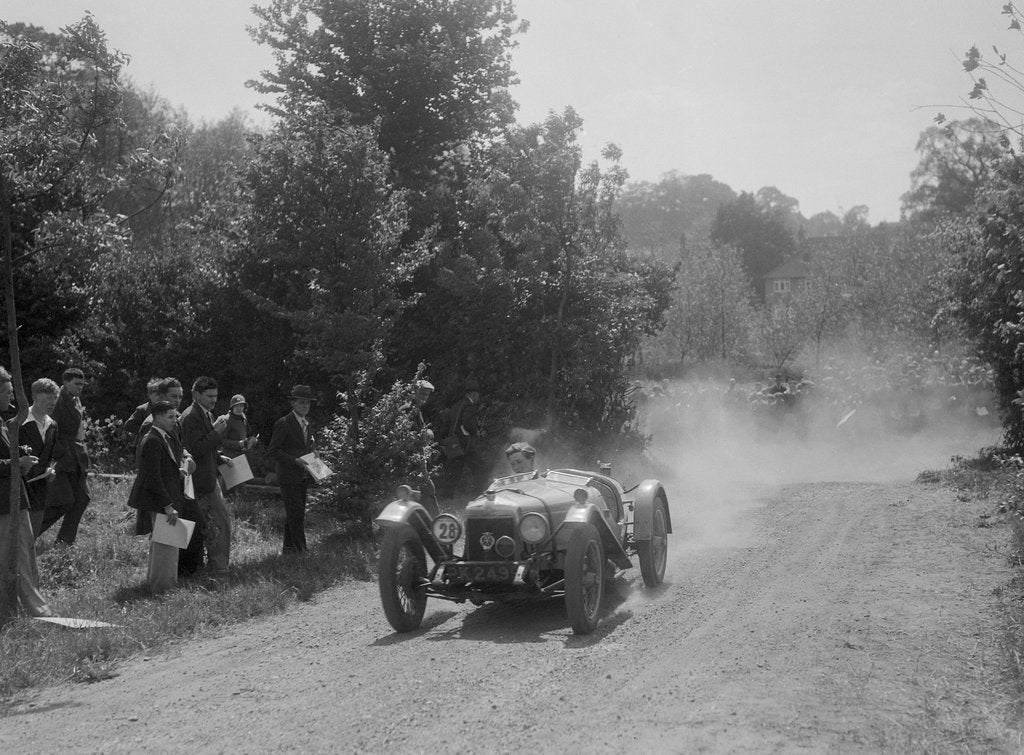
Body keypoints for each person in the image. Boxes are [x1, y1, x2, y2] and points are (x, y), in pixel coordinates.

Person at [0, 367, 53, 617]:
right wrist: (16, 463)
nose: (12, 398)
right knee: (19, 553)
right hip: (5, 501)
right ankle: (35, 610)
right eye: (8, 392)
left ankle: (18, 607)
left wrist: (19, 451)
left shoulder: (2, 420)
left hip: (14, 498)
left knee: (25, 551)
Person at [127, 400, 189, 594]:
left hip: (162, 498)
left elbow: (161, 468)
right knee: (167, 545)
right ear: (158, 417)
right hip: (160, 501)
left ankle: (157, 584)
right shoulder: (153, 440)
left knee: (163, 543)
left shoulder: (162, 437)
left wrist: (176, 470)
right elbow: (152, 477)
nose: (174, 420)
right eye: (170, 417)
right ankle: (164, 589)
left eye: (175, 416)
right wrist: (168, 505)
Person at [179, 376, 231, 575]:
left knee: (208, 526)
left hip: (208, 479)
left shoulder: (205, 414)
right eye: (209, 396)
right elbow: (194, 449)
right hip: (201, 483)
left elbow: (204, 447)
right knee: (219, 524)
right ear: (196, 395)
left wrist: (219, 457)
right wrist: (217, 433)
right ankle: (219, 569)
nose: (213, 400)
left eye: (215, 396)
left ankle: (205, 566)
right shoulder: (191, 416)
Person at [39, 368, 91, 546]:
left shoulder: (75, 399)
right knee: (62, 502)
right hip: (62, 458)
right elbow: (50, 430)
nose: (80, 387)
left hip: (76, 455)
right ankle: (26, 534)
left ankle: (65, 541)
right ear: (65, 382)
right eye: (76, 383)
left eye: (82, 384)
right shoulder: (58, 401)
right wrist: (59, 455)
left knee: (82, 498)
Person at [268, 385, 317, 554]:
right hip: (288, 475)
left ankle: (288, 549)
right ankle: (301, 550)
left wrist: (313, 452)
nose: (305, 406)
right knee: (296, 513)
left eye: (308, 403)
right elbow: (273, 450)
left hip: (302, 475)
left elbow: (306, 446)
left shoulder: (307, 423)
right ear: (293, 404)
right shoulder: (284, 423)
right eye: (302, 403)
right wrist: (294, 460)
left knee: (296, 512)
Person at [22, 378, 63, 537]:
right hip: (21, 488)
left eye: (54, 398)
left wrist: (50, 470)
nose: (51, 403)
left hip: (40, 489)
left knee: (32, 537)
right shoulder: (20, 422)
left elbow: (51, 455)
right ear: (34, 397)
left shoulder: (52, 425)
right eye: (46, 399)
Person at [441, 378, 484, 497]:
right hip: (464, 445)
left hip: (453, 443)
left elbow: (447, 424)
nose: (478, 398)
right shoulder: (469, 406)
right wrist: (476, 431)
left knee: (453, 473)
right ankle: (478, 495)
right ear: (474, 394)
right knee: (479, 469)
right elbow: (468, 424)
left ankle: (446, 498)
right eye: (478, 395)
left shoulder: (456, 405)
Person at [123, 377, 162, 452]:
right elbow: (128, 425)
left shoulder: (166, 409)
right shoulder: (143, 409)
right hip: (145, 446)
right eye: (156, 393)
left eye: (161, 393)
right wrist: (145, 431)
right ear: (149, 395)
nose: (159, 396)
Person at [220, 394, 256, 459]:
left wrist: (252, 440)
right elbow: (221, 441)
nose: (239, 408)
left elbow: (248, 433)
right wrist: (238, 444)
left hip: (243, 455)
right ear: (232, 407)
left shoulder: (243, 417)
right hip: (229, 458)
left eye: (241, 406)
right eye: (236, 406)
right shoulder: (226, 419)